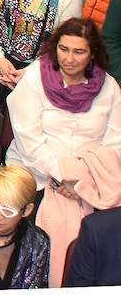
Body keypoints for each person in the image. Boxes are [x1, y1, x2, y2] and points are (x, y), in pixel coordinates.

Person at [6, 18, 121, 286]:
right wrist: (63, 176)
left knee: (106, 234)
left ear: (92, 53)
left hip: (92, 178)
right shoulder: (35, 79)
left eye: (79, 51)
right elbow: (29, 141)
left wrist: (83, 179)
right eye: (64, 49)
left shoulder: (109, 88)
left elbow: (116, 144)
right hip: (36, 173)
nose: (69, 58)